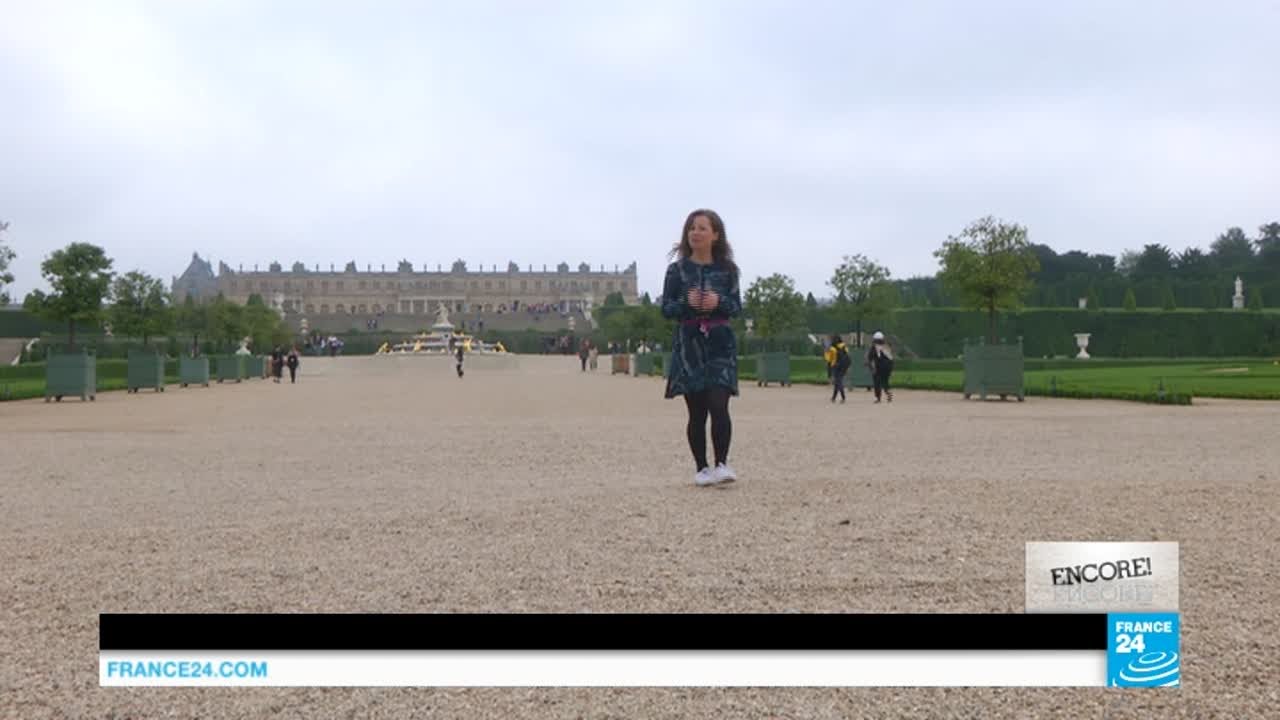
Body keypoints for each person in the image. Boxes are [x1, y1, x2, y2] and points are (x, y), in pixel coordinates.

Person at [662, 208, 742, 487]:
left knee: (720, 404)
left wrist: (716, 302)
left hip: (720, 342)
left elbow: (736, 306)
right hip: (690, 343)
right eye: (691, 228)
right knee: (697, 411)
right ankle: (702, 468)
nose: (695, 232)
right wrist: (687, 303)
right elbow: (667, 309)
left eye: (702, 228)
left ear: (715, 235)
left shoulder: (728, 270)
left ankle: (722, 463)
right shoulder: (677, 270)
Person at [868, 331, 895, 403]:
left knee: (877, 381)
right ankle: (888, 392)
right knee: (885, 380)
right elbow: (891, 358)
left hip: (880, 366)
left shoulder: (874, 347)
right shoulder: (886, 346)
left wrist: (869, 365)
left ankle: (878, 397)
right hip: (889, 366)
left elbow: (870, 357)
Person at [824, 333, 851, 403]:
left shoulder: (832, 348)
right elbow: (848, 356)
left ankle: (843, 397)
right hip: (844, 366)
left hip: (835, 365)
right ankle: (834, 397)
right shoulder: (844, 346)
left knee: (838, 381)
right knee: (837, 381)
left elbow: (828, 359)